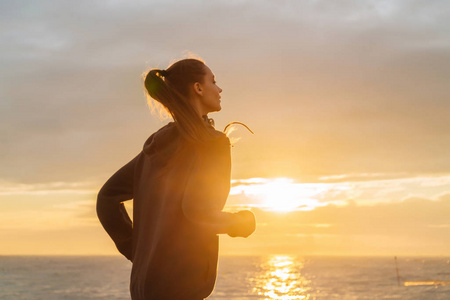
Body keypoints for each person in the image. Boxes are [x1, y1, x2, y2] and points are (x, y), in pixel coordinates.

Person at [96, 58, 256, 300]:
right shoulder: (212, 144)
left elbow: (107, 198)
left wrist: (137, 250)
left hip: (144, 287)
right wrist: (242, 223)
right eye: (213, 81)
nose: (219, 89)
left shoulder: (157, 144)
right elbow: (198, 212)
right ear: (198, 88)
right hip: (182, 288)